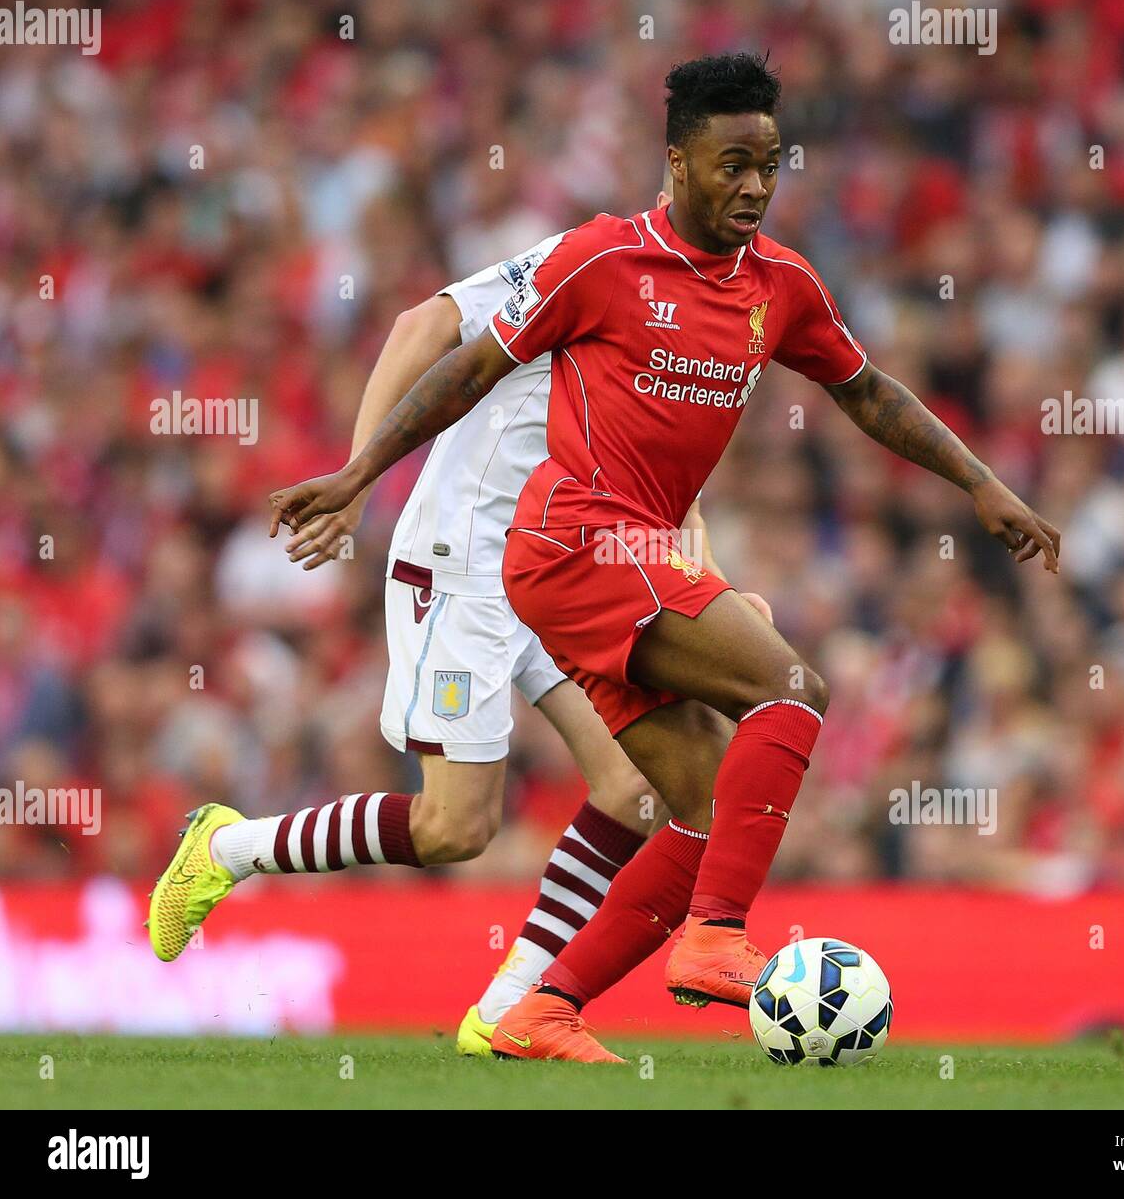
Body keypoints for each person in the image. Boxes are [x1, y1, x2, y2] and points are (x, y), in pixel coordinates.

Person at [267, 53, 1060, 1063]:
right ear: (677, 162)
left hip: (632, 552)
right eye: (732, 164)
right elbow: (465, 365)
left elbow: (868, 392)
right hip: (570, 542)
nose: (754, 187)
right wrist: (358, 473)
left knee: (693, 803)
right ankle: (717, 937)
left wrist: (978, 481)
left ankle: (542, 1010)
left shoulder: (781, 285)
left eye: (769, 165)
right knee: (792, 687)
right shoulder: (600, 261)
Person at [147, 173, 768, 1058]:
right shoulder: (589, 260)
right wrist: (360, 476)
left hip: (572, 571)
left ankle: (516, 1009)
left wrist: (707, 584)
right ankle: (230, 847)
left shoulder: (701, 334)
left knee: (637, 789)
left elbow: (672, 491)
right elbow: (423, 326)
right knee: (455, 828)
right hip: (466, 562)